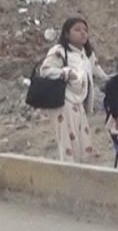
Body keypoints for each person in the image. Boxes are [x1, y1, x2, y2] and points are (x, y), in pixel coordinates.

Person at [36, 17, 106, 164]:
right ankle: (68, 172)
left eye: (85, 30)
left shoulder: (87, 54)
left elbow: (100, 74)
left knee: (83, 138)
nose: (83, 33)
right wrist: (66, 73)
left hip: (79, 102)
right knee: (68, 139)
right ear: (67, 34)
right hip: (63, 101)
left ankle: (81, 171)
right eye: (77, 30)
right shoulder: (59, 51)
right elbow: (45, 70)